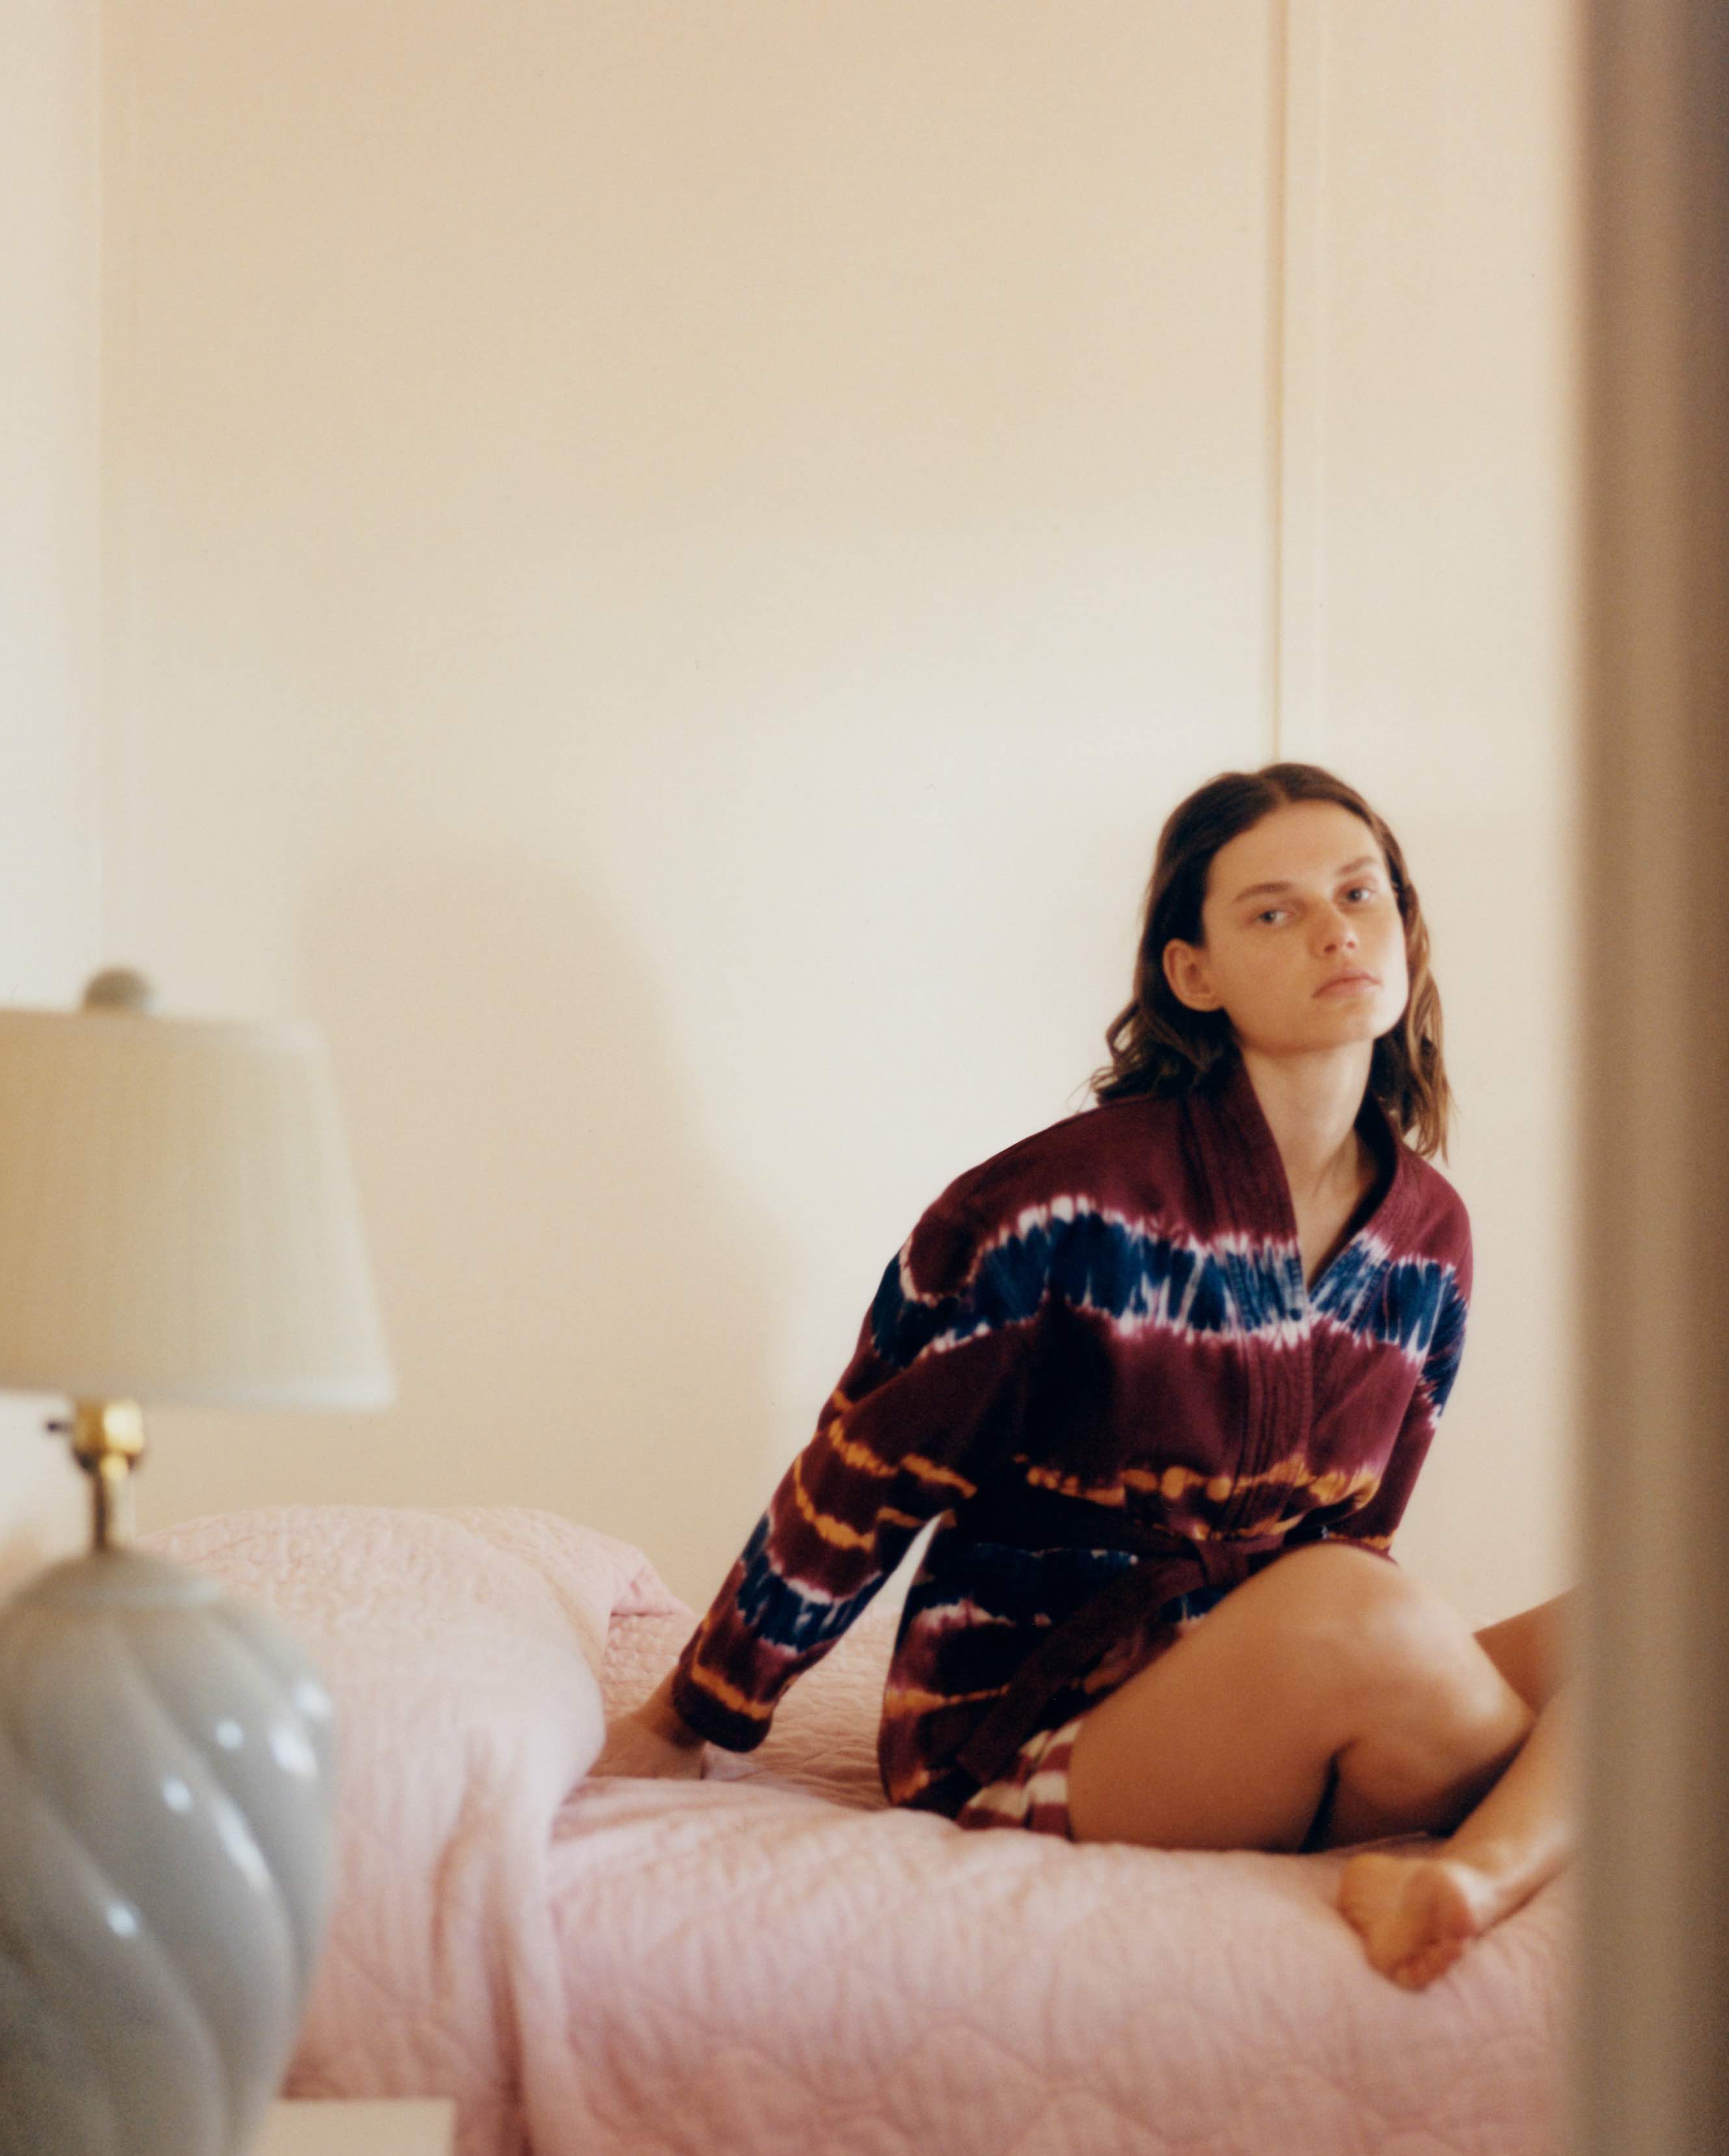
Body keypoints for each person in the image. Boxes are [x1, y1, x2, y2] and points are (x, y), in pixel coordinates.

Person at [593, 763, 1572, 1989]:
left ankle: (1473, 1872)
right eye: (1273, 910)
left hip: (1255, 1692)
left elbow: (1357, 1534)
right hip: (1026, 1726)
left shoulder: (1429, 1237)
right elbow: (863, 1476)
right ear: (1193, 974)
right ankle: (1570, 1796)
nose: (1333, 930)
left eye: (1359, 893)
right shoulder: (1059, 1205)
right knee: (1375, 1616)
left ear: (1405, 930)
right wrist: (690, 1716)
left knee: (1652, 1626)